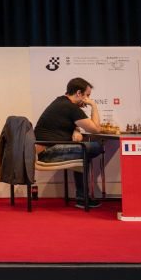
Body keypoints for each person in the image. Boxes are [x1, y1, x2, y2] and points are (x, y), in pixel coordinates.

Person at [33, 77, 104, 208]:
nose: (88, 99)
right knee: (95, 147)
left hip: (43, 149)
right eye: (87, 96)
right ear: (79, 93)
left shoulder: (61, 102)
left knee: (84, 153)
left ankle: (82, 197)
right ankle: (82, 198)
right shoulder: (70, 107)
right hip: (47, 152)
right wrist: (94, 106)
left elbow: (65, 123)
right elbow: (96, 129)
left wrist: (75, 130)